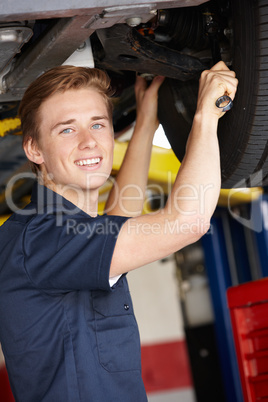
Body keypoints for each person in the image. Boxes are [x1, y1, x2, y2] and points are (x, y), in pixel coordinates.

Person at [0, 61, 238, 402]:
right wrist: (206, 115)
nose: (88, 142)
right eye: (67, 130)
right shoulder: (48, 239)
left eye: (97, 124)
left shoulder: (42, 231)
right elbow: (188, 222)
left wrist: (145, 123)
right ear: (34, 149)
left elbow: (117, 215)